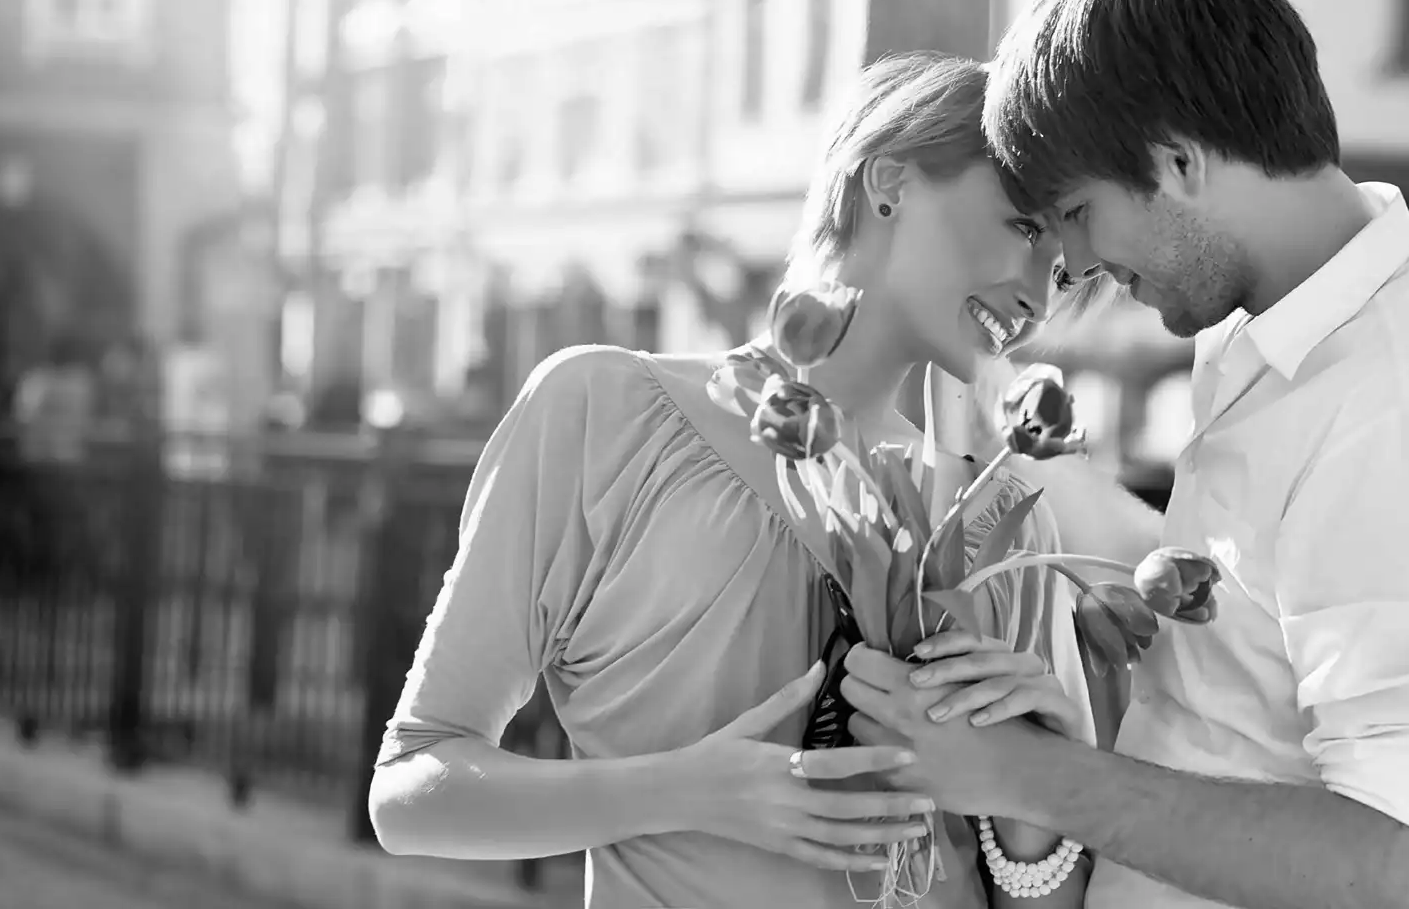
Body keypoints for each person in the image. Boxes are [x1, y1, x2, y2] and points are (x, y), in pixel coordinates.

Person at [840, 0, 1409, 909]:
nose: (1078, 266)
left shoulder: (1404, 406)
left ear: (1177, 162)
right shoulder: (1265, 325)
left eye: (1079, 211)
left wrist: (1018, 774)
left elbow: (1400, 862)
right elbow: (1259, 664)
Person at [369, 51, 1116, 908]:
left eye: (1064, 271)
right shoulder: (604, 411)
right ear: (890, 182)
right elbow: (412, 788)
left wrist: (1036, 800)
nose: (1038, 297)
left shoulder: (1002, 524)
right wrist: (690, 791)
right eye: (1024, 228)